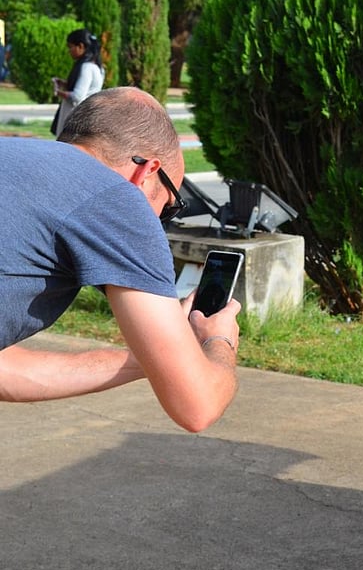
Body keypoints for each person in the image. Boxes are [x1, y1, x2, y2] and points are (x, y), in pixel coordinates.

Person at [0, 87, 240, 432]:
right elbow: (197, 406)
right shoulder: (117, 198)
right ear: (147, 172)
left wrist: (163, 358)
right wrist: (218, 341)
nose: (159, 219)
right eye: (170, 206)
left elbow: (8, 372)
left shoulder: (14, 158)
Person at [51, 29, 105, 137]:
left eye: (70, 47)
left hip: (74, 116)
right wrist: (64, 84)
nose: (69, 50)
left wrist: (58, 92)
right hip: (86, 115)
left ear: (80, 46)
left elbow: (77, 96)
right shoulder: (98, 67)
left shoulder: (86, 67)